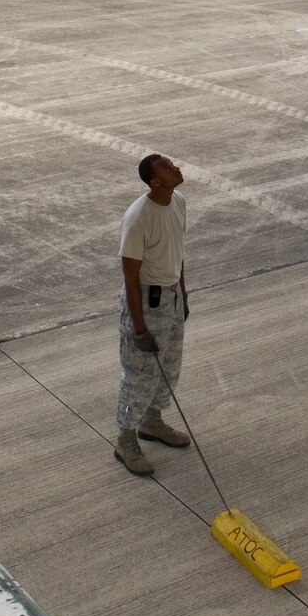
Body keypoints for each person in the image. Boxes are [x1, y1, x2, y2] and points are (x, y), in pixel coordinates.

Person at [115, 153, 192, 475]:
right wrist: (139, 327)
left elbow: (178, 250)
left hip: (171, 297)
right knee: (140, 376)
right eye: (166, 167)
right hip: (148, 301)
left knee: (168, 369)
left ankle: (152, 422)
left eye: (171, 163)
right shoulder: (138, 218)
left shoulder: (178, 202)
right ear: (155, 181)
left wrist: (183, 292)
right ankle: (126, 439)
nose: (175, 167)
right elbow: (130, 276)